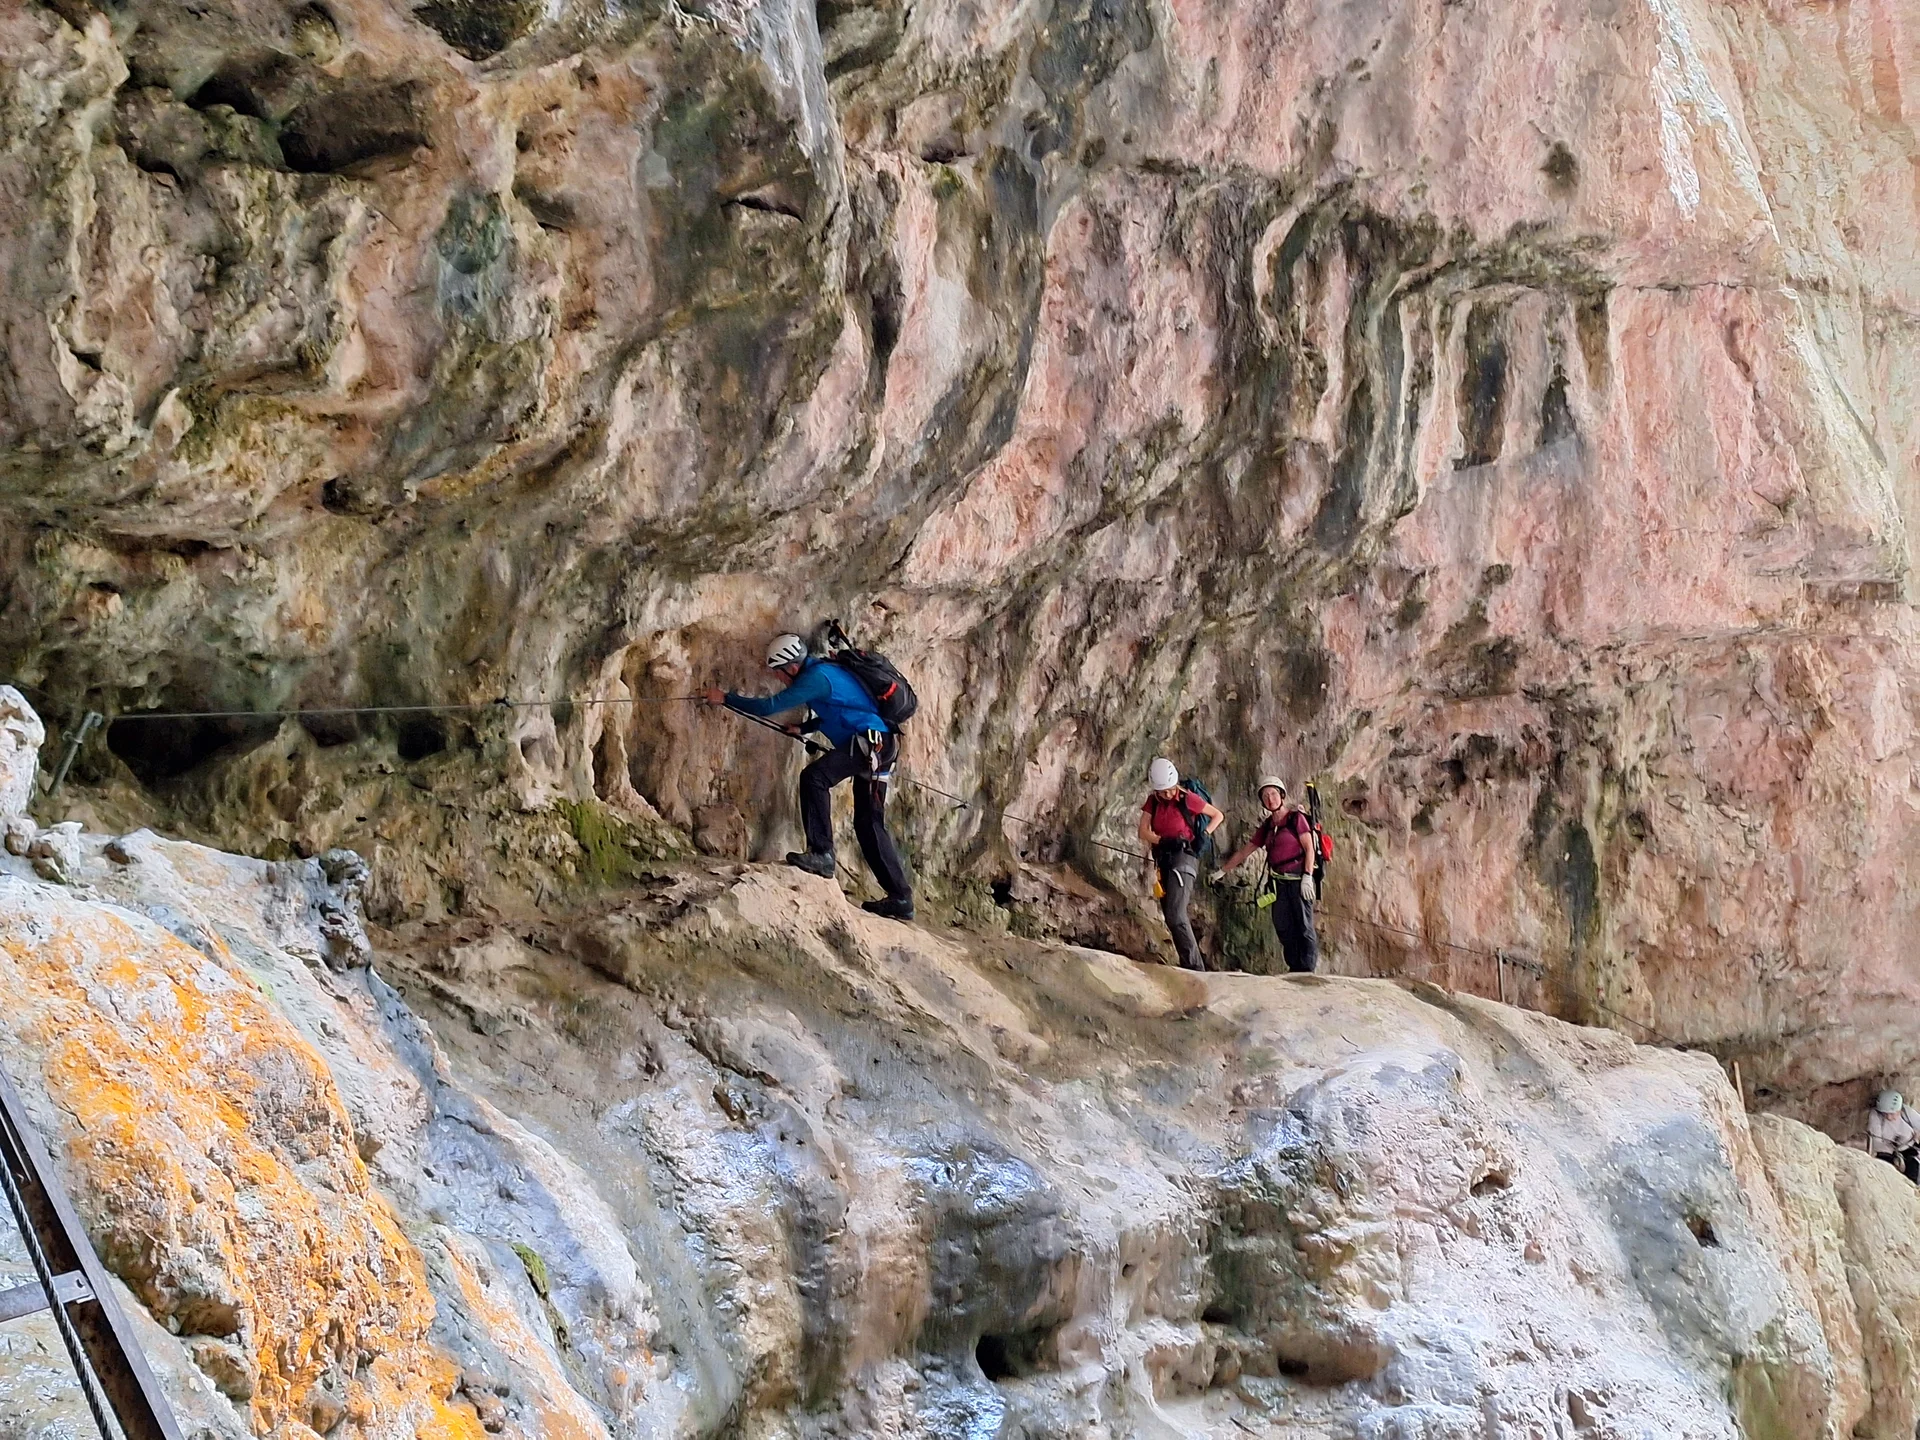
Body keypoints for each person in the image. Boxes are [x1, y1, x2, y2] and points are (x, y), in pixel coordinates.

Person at [705, 633, 914, 920]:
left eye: (779, 672)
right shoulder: (826, 673)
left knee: (814, 778)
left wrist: (725, 698)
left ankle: (822, 853)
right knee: (868, 823)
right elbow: (838, 709)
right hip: (881, 743)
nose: (779, 679)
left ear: (791, 667)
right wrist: (804, 729)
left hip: (869, 742)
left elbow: (769, 706)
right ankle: (901, 899)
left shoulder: (816, 677)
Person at [1213, 777, 1320, 973]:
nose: (1270, 799)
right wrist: (1222, 871)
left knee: (1304, 925)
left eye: (1273, 794)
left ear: (1281, 795)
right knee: (1283, 926)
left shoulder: (1296, 819)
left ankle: (1308, 969)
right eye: (1265, 796)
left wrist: (1307, 876)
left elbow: (1309, 848)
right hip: (1278, 883)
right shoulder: (1268, 826)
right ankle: (1295, 967)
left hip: (1298, 880)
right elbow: (1246, 851)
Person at [1137, 757, 1224, 971]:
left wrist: (1205, 833)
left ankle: (1196, 968)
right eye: (1162, 791)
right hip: (1164, 857)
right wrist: (1161, 840)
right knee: (1170, 915)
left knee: (1177, 913)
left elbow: (1217, 815)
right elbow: (1143, 831)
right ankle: (1188, 964)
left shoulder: (1187, 798)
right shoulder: (1153, 801)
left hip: (1185, 856)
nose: (1167, 794)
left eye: (1169, 790)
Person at [1865, 1090, 1920, 1182]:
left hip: (1909, 1148)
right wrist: (1892, 1151)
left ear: (1899, 1110)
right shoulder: (1876, 1116)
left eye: (1892, 1113)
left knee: (1913, 1169)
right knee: (1888, 1174)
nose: (1889, 1117)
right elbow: (1875, 1142)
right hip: (1887, 1152)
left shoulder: (1906, 1112)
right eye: (1885, 1113)